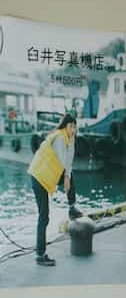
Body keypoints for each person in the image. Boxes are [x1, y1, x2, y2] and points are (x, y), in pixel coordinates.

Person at [28, 113, 84, 267]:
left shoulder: (68, 139)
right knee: (44, 217)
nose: (73, 129)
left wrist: (72, 140)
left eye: (75, 127)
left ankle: (72, 208)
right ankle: (40, 254)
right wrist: (66, 177)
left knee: (70, 176)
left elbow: (69, 160)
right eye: (70, 126)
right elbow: (63, 159)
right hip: (39, 177)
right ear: (65, 126)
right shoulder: (59, 137)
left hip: (45, 177)